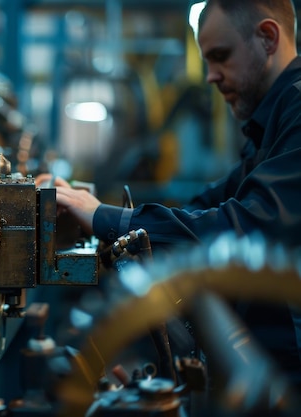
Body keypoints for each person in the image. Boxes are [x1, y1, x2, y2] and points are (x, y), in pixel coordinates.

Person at [39, 0, 301, 392]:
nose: (210, 76)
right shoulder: (269, 125)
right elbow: (207, 207)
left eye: (220, 56)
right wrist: (93, 212)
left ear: (267, 37)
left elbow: (245, 227)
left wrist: (108, 218)